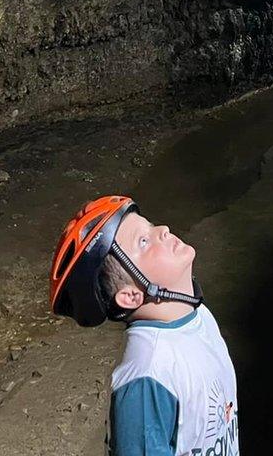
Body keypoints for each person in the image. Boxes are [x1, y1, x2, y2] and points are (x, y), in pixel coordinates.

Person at [50, 195, 239, 456]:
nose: (163, 230)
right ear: (130, 296)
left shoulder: (200, 317)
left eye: (151, 227)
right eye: (143, 241)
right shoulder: (148, 375)